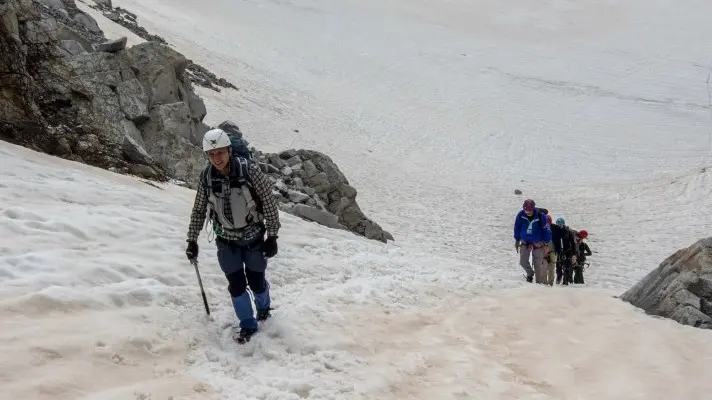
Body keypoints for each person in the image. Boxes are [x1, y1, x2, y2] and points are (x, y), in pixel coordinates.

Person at [185, 128, 281, 343]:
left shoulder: (250, 171)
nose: (216, 159)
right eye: (211, 154)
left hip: (254, 237)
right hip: (226, 240)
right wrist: (192, 239)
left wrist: (272, 236)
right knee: (236, 285)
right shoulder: (206, 177)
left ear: (229, 150)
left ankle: (263, 308)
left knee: (257, 282)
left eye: (220, 153)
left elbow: (269, 203)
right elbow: (199, 210)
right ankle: (247, 324)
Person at [513, 199, 552, 283]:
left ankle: (538, 285)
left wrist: (546, 243)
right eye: (526, 210)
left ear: (533, 208)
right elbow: (517, 227)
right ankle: (530, 274)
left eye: (529, 211)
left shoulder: (541, 216)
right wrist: (517, 240)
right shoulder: (521, 214)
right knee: (522, 262)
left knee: (538, 265)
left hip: (538, 242)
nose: (527, 212)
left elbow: (547, 230)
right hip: (525, 241)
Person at [553, 217, 577, 285]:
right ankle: (559, 277)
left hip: (567, 251)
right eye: (557, 223)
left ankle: (565, 281)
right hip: (559, 251)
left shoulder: (568, 232)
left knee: (567, 267)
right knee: (558, 265)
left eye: (560, 223)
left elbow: (573, 243)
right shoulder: (555, 231)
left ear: (563, 224)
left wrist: (574, 254)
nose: (559, 225)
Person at [543, 214, 558, 286]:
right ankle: (544, 283)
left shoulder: (555, 229)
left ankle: (550, 284)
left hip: (553, 251)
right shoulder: (541, 229)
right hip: (543, 251)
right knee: (544, 268)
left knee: (551, 268)